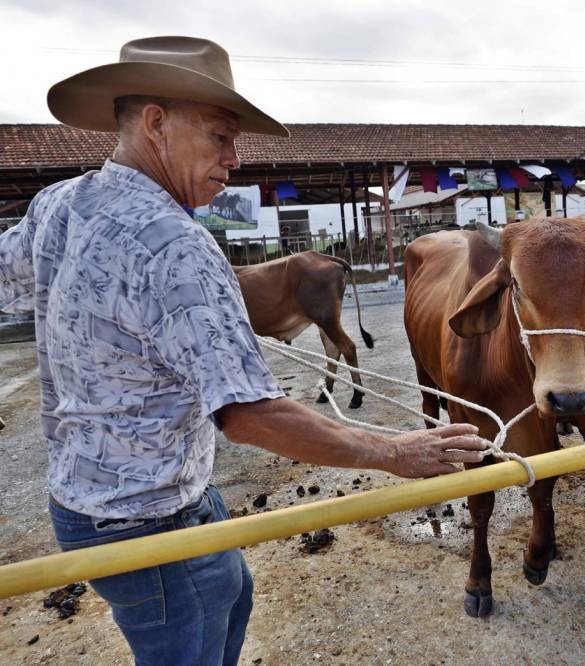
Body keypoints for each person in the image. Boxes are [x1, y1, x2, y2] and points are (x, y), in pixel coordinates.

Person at [0, 36, 488, 666]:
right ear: (155, 122)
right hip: (149, 519)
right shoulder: (177, 245)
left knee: (232, 598)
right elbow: (250, 414)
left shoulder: (58, 203)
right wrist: (393, 451)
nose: (235, 158)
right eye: (220, 136)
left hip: (90, 501)